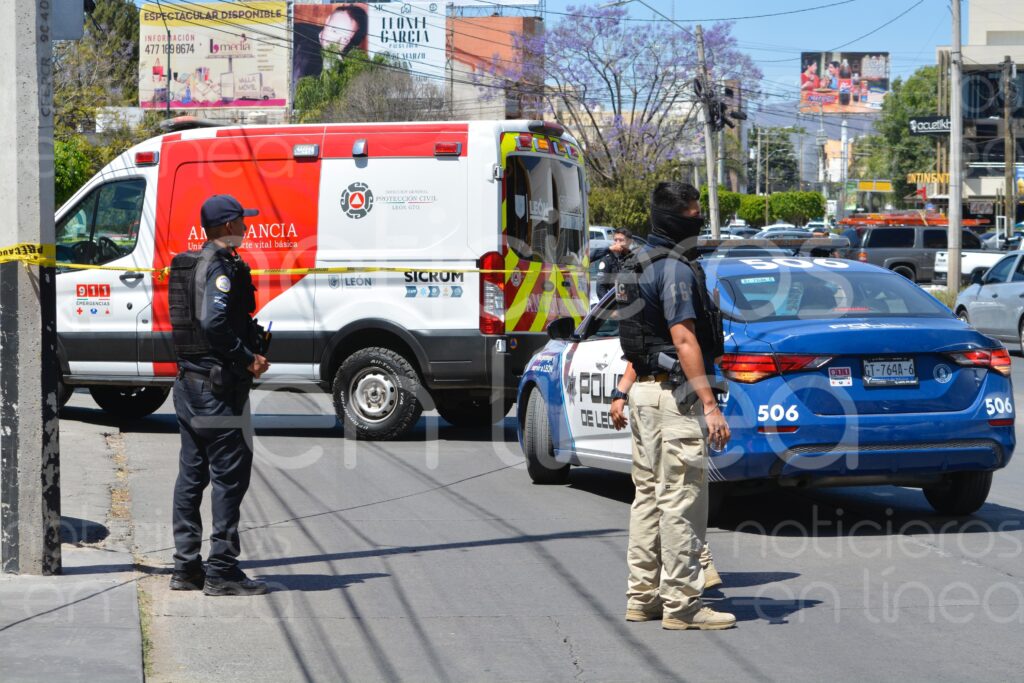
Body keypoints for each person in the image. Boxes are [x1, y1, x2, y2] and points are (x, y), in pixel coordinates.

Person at [608, 181, 735, 631]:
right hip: (673, 398)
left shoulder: (634, 264)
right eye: (695, 213)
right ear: (675, 219)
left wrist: (623, 391)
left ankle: (642, 598)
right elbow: (683, 338)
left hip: (643, 393)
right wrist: (709, 402)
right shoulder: (676, 269)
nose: (700, 221)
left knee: (647, 498)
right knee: (681, 501)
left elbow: (639, 341)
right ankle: (682, 605)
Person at [169, 195, 271, 597]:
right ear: (228, 224)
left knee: (192, 476)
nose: (246, 227)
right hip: (217, 389)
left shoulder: (195, 261)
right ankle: (222, 571)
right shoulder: (220, 268)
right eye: (242, 221)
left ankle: (186, 568)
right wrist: (248, 359)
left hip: (190, 384)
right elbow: (213, 323)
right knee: (229, 477)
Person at [596, 228, 633, 298]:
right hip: (615, 304)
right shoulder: (608, 260)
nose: (617, 243)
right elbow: (600, 289)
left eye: (621, 240)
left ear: (629, 242)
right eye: (615, 240)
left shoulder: (634, 259)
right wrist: (610, 308)